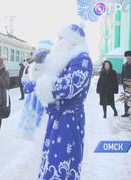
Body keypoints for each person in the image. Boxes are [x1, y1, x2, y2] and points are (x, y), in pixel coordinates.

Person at [33, 24, 93, 179]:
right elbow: (38, 79)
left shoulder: (82, 60)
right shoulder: (65, 60)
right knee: (51, 160)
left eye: (61, 38)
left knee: (62, 161)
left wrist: (44, 85)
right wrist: (39, 67)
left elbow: (68, 87)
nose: (57, 41)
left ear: (70, 40)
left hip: (69, 119)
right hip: (58, 118)